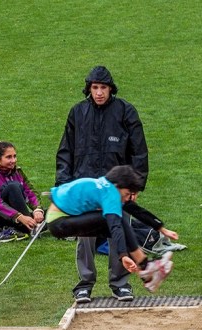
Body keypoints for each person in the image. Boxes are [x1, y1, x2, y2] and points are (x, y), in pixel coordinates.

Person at [55, 65, 149, 301]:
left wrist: (135, 185)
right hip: (85, 188)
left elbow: (139, 151)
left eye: (103, 88)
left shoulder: (125, 112)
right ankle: (85, 283)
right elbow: (65, 151)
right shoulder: (77, 113)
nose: (99, 92)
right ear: (89, 89)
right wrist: (64, 184)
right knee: (84, 237)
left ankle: (120, 283)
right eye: (95, 88)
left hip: (116, 189)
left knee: (118, 232)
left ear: (110, 89)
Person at [47, 166, 176, 303]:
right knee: (117, 220)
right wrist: (123, 255)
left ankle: (147, 276)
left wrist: (161, 228)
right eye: (127, 194)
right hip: (59, 222)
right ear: (118, 186)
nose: (128, 198)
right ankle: (146, 266)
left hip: (62, 219)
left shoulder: (107, 187)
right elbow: (115, 227)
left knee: (120, 217)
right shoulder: (110, 193)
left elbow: (135, 209)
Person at [0, 140, 44, 242]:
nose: (13, 160)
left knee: (53, 213)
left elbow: (30, 191)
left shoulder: (17, 171)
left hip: (15, 216)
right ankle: (30, 227)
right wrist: (20, 217)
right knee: (12, 187)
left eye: (14, 156)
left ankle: (33, 225)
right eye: (9, 157)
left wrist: (37, 210)